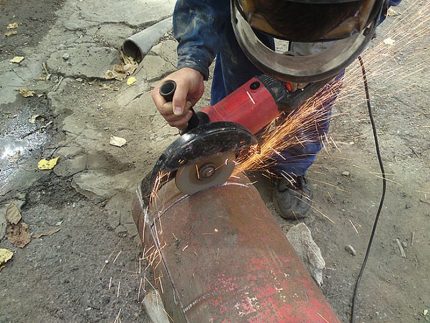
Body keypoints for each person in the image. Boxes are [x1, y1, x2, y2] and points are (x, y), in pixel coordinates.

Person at [151, 0, 398, 219]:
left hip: (340, 19)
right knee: (240, 63)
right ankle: (230, 141)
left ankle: (292, 168)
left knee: (313, 99)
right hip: (255, 10)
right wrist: (192, 61)